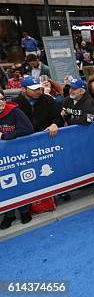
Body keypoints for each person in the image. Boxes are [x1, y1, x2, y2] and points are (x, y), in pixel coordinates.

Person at [0, 89, 35, 230]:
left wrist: (5, 136)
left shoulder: (14, 111)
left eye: (2, 98)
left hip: (16, 155)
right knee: (4, 185)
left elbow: (28, 129)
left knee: (19, 182)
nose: (1, 102)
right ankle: (9, 214)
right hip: (1, 158)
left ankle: (24, 211)